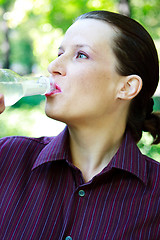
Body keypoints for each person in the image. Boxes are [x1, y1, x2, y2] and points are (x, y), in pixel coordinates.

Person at [0, 10, 160, 240]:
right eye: (60, 53)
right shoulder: (8, 157)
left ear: (126, 87)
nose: (53, 66)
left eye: (81, 55)